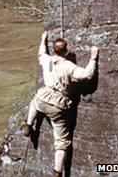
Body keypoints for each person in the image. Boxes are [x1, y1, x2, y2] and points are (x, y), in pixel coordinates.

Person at [22, 31, 99, 177]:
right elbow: (87, 75)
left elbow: (41, 53)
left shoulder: (47, 60)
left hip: (43, 97)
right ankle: (57, 172)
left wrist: (43, 39)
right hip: (58, 105)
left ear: (53, 50)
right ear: (66, 51)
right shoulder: (69, 66)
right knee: (62, 142)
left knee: (34, 103)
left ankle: (28, 124)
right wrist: (93, 58)